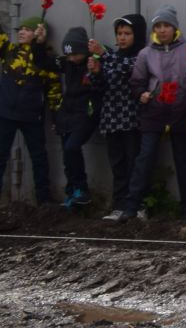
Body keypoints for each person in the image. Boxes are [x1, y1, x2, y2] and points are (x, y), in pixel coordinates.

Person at [126, 5, 186, 220]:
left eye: (166, 26)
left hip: (181, 113)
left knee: (183, 160)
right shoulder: (146, 53)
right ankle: (132, 206)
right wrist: (141, 93)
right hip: (153, 113)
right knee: (145, 158)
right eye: (158, 26)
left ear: (174, 28)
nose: (162, 30)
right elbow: (136, 82)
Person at [0, 15, 59, 207]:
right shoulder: (9, 51)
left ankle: (44, 199)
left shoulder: (44, 59)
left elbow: (54, 89)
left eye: (27, 29)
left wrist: (56, 114)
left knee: (39, 156)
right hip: (6, 113)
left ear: (38, 33)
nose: (22, 32)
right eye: (20, 29)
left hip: (32, 116)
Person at [95, 13, 146, 222]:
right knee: (117, 165)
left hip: (131, 120)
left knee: (135, 163)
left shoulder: (140, 56)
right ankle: (119, 205)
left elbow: (130, 69)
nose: (122, 38)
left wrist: (105, 56)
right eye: (119, 33)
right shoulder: (111, 57)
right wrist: (96, 72)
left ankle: (137, 205)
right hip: (111, 119)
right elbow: (100, 87)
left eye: (127, 33)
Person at [54, 28, 100, 209]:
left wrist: (95, 72)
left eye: (75, 54)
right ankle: (72, 192)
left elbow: (100, 85)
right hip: (66, 114)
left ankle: (82, 188)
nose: (72, 58)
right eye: (69, 55)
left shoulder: (92, 63)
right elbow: (44, 62)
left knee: (72, 147)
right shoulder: (67, 64)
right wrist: (38, 44)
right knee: (66, 154)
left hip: (85, 114)